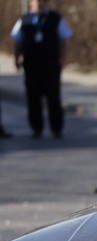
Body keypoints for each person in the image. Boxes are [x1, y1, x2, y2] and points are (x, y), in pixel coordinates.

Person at [10, 0, 73, 139]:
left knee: (53, 98)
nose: (39, 4)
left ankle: (56, 128)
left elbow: (65, 38)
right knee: (33, 98)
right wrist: (16, 59)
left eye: (42, 1)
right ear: (31, 3)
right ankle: (36, 128)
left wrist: (63, 57)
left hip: (50, 64)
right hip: (32, 65)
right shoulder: (24, 19)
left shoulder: (55, 18)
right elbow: (18, 40)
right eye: (36, 2)